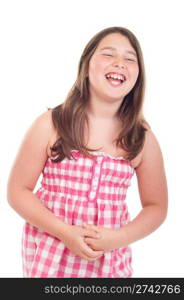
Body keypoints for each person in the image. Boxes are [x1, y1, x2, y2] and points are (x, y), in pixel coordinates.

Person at [7, 26, 168, 278]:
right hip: (51, 260)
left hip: (109, 265)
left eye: (129, 58)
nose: (119, 63)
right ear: (86, 65)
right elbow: (17, 191)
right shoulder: (51, 124)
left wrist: (119, 237)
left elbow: (156, 206)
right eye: (108, 54)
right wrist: (65, 232)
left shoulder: (141, 138)